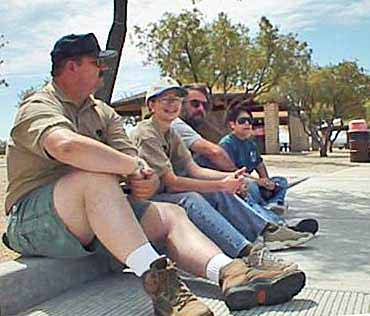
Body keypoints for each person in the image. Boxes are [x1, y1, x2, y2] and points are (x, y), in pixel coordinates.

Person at [2, 33, 305, 315]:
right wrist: (131, 168)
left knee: (171, 213)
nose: (102, 70)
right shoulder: (39, 105)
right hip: (33, 219)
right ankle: (164, 288)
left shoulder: (103, 113)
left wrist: (141, 180)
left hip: (92, 215)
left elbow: (134, 162)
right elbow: (66, 147)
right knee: (94, 178)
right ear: (72, 66)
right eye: (96, 63)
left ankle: (230, 273)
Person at [172, 84, 319, 235]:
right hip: (187, 187)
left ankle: (271, 217)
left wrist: (262, 180)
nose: (201, 109)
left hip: (225, 181)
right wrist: (234, 178)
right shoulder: (177, 125)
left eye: (204, 105)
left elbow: (258, 163)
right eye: (195, 104)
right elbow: (214, 153)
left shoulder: (249, 143)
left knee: (278, 182)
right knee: (232, 189)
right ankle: (268, 226)